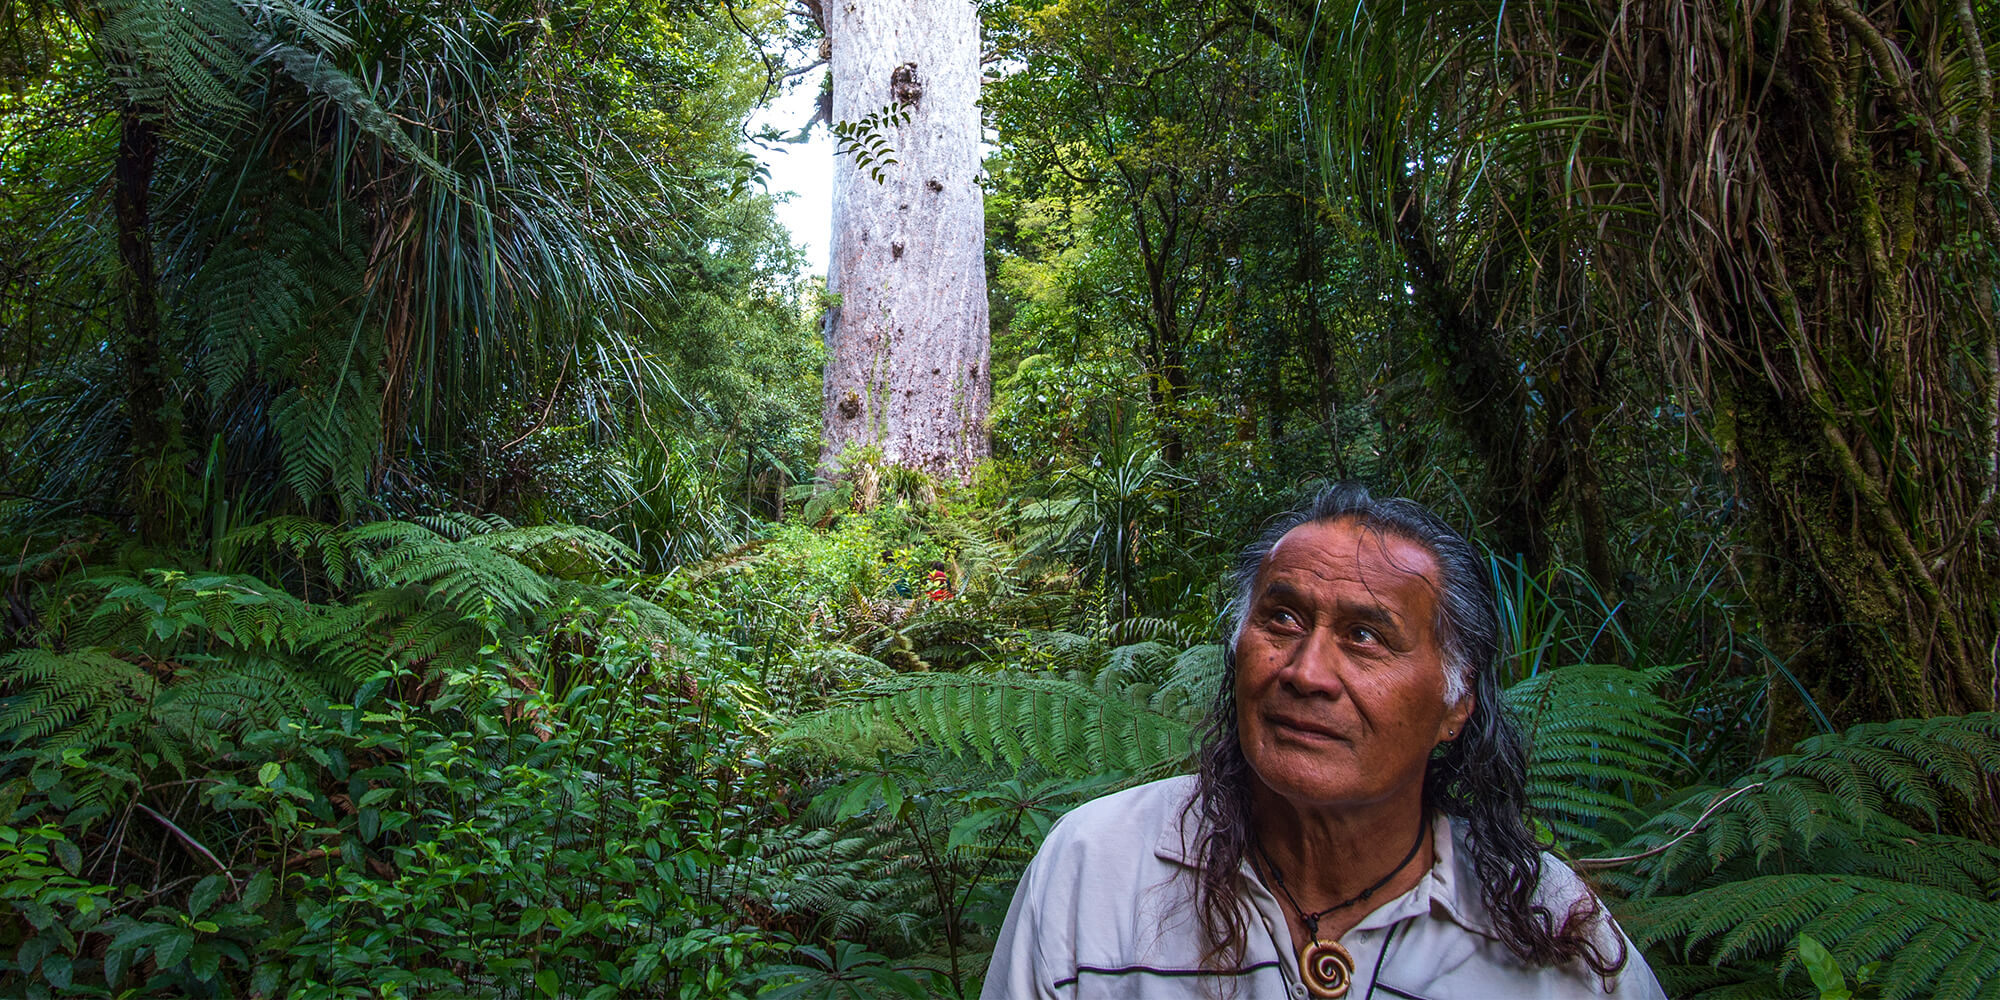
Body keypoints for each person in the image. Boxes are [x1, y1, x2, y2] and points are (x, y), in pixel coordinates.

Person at [983, 484, 1667, 999]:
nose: (1306, 673)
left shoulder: (1555, 934)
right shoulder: (1096, 870)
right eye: (1280, 618)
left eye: (1365, 637)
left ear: (1454, 702)